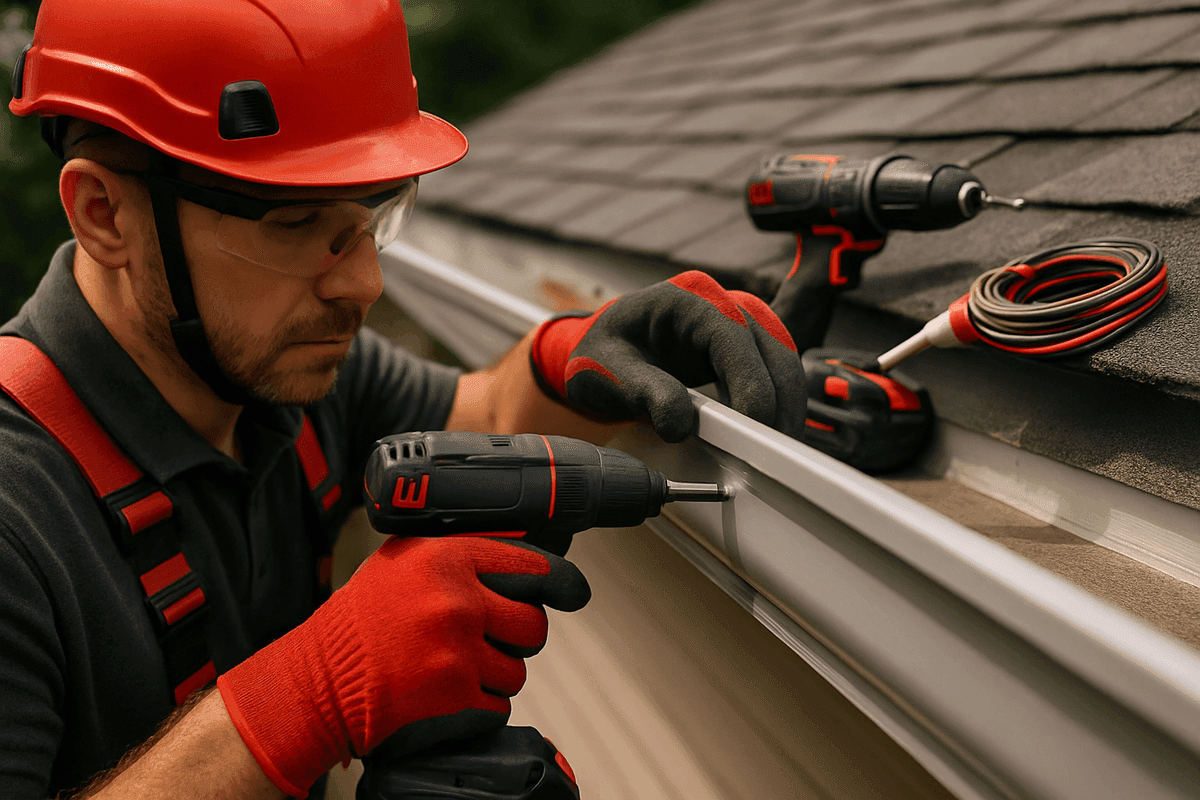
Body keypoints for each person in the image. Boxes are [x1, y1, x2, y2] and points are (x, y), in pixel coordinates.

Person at [0, 1, 806, 798]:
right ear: (103, 214)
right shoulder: (19, 509)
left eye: (371, 217)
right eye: (293, 222)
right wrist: (308, 699)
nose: (363, 283)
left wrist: (572, 356)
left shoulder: (283, 376)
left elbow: (483, 420)